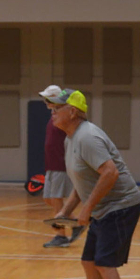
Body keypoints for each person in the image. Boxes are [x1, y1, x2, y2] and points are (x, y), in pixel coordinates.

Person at [44, 89, 140, 279]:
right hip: (103, 207)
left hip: (120, 206)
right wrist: (66, 210)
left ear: (72, 112)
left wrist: (86, 209)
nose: (52, 114)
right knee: (89, 262)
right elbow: (83, 181)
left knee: (105, 264)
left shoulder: (87, 137)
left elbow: (109, 172)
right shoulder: (70, 139)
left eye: (56, 109)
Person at [38, 85, 84, 248]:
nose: (46, 101)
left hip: (60, 164)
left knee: (56, 198)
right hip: (51, 164)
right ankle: (76, 223)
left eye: (49, 98)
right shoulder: (54, 117)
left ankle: (61, 235)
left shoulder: (65, 117)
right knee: (49, 198)